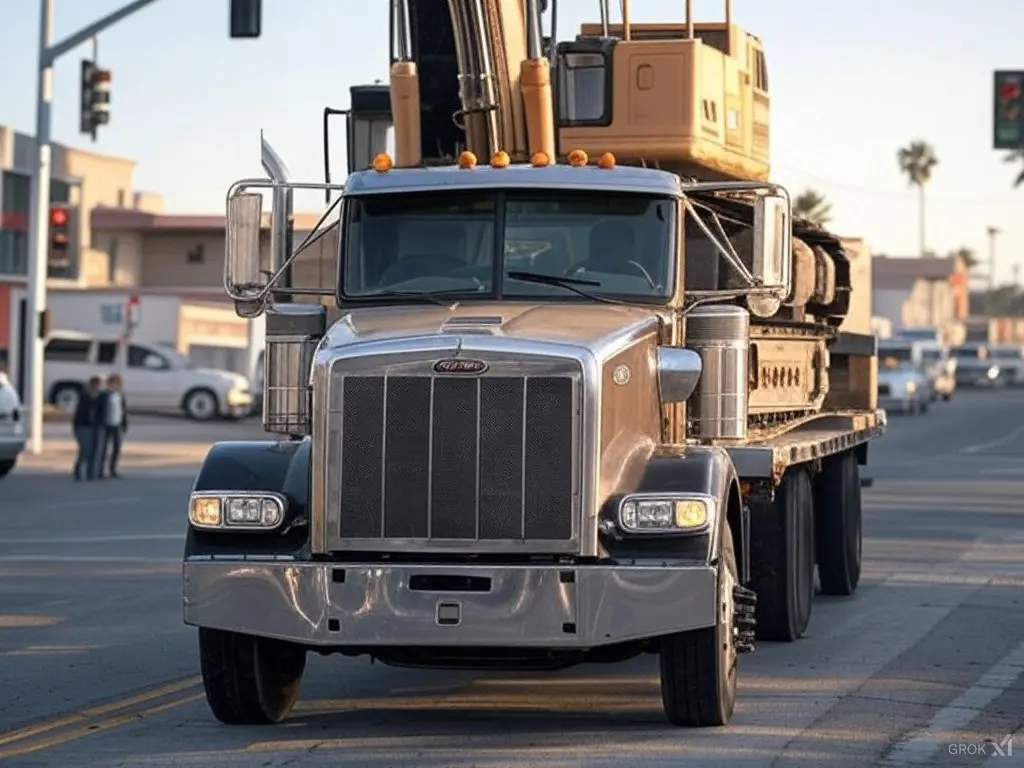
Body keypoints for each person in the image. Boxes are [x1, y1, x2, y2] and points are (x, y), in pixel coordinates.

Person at [96, 373, 128, 479]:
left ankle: (113, 468)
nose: (115, 386)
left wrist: (124, 425)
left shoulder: (120, 396)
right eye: (113, 383)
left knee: (116, 448)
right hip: (106, 424)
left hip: (117, 424)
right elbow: (99, 410)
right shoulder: (104, 395)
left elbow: (123, 411)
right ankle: (100, 470)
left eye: (117, 384)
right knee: (103, 448)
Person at [72, 376, 102, 481]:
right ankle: (78, 470)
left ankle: (91, 472)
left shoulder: (98, 397)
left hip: (93, 426)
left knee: (93, 450)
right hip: (83, 426)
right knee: (85, 450)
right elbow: (84, 413)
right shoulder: (85, 397)